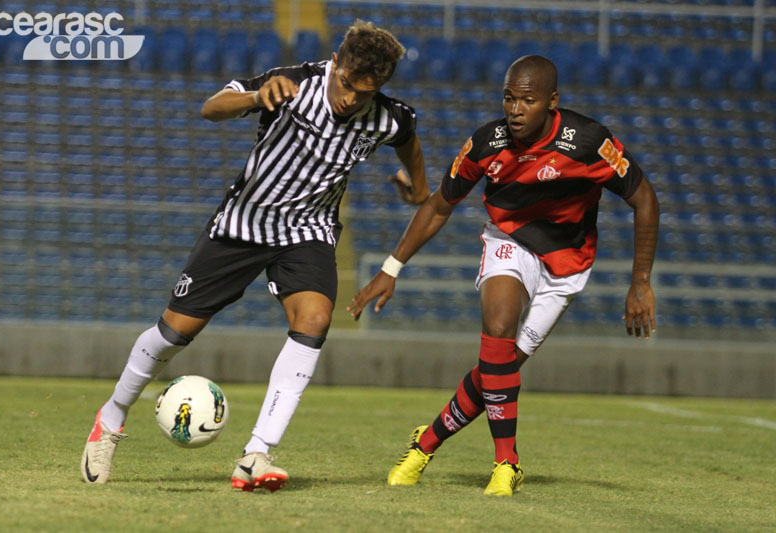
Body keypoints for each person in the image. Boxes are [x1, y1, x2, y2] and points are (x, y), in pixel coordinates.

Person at [81, 19, 430, 491]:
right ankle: (112, 417)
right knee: (172, 333)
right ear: (336, 64)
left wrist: (417, 187)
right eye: (346, 84)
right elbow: (211, 108)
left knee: (316, 318)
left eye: (364, 93)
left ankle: (257, 454)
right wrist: (255, 96)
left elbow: (408, 142)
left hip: (308, 230)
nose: (350, 99)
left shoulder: (389, 117)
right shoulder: (295, 81)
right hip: (243, 224)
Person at [348, 55, 659, 496]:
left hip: (568, 263)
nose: (514, 110)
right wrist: (390, 268)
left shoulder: (588, 142)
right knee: (497, 330)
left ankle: (426, 441)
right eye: (508, 99)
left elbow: (645, 198)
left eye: (527, 101)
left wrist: (640, 281)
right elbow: (439, 205)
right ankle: (507, 463)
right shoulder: (486, 144)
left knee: (501, 370)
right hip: (509, 241)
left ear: (552, 102)